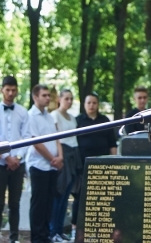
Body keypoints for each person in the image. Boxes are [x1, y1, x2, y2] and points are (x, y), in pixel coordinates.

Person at [0, 75, 30, 243]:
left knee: (15, 204)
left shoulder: (23, 112)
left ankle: (14, 239)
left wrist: (17, 158)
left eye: (13, 90)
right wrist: (7, 157)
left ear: (17, 91)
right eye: (8, 90)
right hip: (0, 162)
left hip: (18, 164)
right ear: (1, 90)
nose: (11, 93)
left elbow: (27, 136)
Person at [72, 93, 117, 227]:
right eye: (89, 103)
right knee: (80, 197)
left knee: (101, 196)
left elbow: (112, 144)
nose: (91, 105)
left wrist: (113, 162)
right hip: (82, 165)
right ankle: (76, 226)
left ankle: (100, 226)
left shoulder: (105, 120)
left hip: (102, 164)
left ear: (98, 104)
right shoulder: (77, 121)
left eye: (94, 103)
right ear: (84, 104)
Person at [26, 84, 64, 243]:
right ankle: (37, 237)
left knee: (49, 202)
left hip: (52, 166)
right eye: (44, 95)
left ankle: (45, 235)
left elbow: (57, 138)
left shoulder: (50, 117)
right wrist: (51, 158)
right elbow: (36, 141)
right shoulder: (30, 116)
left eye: (49, 95)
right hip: (38, 165)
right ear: (35, 97)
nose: (48, 98)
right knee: (38, 203)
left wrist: (60, 157)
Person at [50, 89, 82, 242]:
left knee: (67, 195)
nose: (69, 101)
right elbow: (56, 139)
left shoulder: (72, 118)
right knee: (59, 193)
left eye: (71, 99)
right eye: (66, 98)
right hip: (62, 153)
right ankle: (53, 231)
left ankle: (60, 230)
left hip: (73, 154)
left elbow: (74, 139)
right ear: (59, 99)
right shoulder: (54, 115)